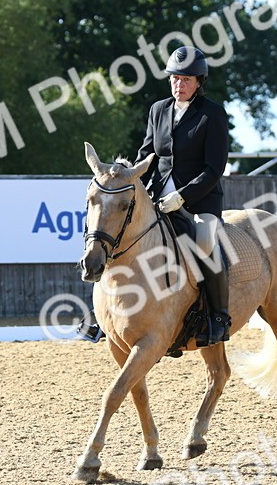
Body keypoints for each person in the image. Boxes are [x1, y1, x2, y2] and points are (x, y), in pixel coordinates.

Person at [77, 45, 232, 347]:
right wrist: (130, 178)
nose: (179, 85)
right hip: (157, 196)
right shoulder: (158, 110)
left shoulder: (212, 114)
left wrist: (183, 197)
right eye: (175, 78)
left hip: (199, 201)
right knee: (113, 237)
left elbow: (214, 169)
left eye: (186, 79)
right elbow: (146, 154)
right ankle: (100, 317)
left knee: (204, 242)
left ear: (199, 82)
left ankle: (218, 317)